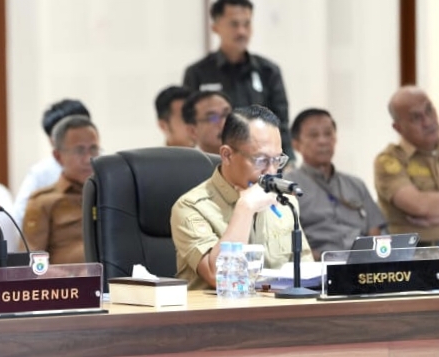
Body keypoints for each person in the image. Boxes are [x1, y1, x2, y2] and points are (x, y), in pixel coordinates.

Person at [170, 105, 312, 290]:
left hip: (274, 305)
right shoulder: (190, 207)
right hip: (219, 308)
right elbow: (218, 276)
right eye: (261, 160)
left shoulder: (285, 202)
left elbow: (307, 274)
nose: (271, 171)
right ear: (227, 155)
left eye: (277, 160)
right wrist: (245, 207)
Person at [183, 0, 293, 160]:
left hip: (260, 160)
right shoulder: (197, 73)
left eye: (247, 24)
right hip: (212, 159)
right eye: (234, 24)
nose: (241, 31)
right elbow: (189, 122)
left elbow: (280, 123)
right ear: (215, 27)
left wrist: (288, 160)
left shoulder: (268, 71)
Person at [285, 108, 385, 259]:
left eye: (328, 134)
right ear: (296, 144)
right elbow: (286, 241)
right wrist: (323, 261)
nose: (323, 141)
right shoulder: (287, 186)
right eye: (313, 135)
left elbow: (375, 230)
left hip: (361, 263)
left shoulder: (356, 184)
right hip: (317, 265)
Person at [22, 115, 100, 264]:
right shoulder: (43, 202)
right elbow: (30, 263)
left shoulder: (109, 196)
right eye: (79, 150)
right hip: (69, 278)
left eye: (93, 149)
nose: (88, 159)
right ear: (58, 156)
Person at [374, 86, 439, 244]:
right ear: (398, 128)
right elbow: (419, 206)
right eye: (416, 118)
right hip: (414, 250)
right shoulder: (389, 160)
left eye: (429, 110)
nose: (427, 121)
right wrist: (426, 207)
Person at [12, 99, 91, 226]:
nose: (86, 159)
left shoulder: (107, 168)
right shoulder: (41, 173)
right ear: (52, 141)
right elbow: (19, 219)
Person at [182, 90, 232, 155]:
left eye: (227, 115)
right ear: (192, 131)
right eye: (213, 118)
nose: (224, 123)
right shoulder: (187, 160)